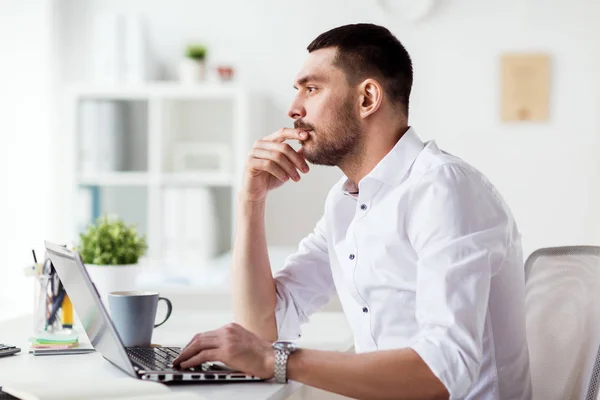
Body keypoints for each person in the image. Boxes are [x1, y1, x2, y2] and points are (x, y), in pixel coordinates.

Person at [174, 23, 532, 400]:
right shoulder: (346, 202)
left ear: (367, 99)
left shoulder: (443, 190)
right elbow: (263, 329)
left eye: (311, 89)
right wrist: (251, 201)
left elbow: (442, 372)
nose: (294, 109)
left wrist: (278, 360)